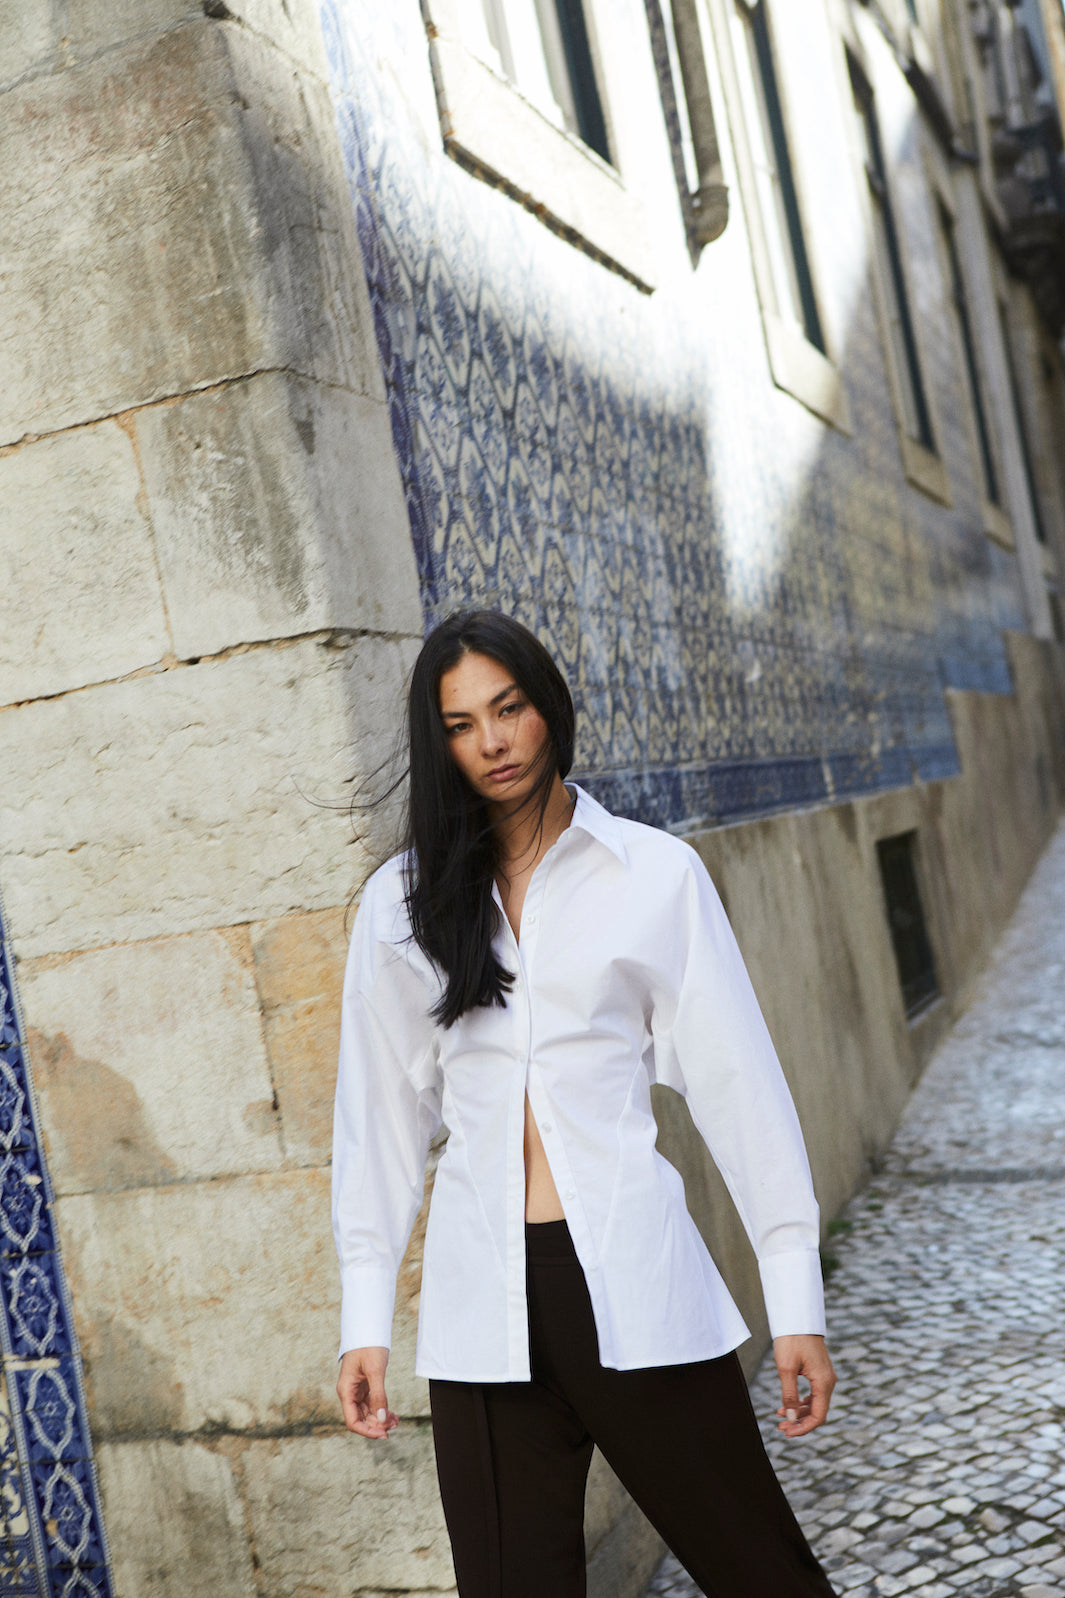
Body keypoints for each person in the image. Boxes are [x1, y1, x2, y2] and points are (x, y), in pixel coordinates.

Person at [333, 609, 838, 1598]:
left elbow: (742, 1093)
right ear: (439, 743)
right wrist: (365, 1316)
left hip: (635, 1280)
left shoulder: (654, 875)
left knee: (763, 1574)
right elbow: (379, 1123)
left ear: (547, 707)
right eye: (461, 724)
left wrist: (795, 1303)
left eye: (509, 707)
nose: (493, 740)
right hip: (482, 1312)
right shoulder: (400, 904)